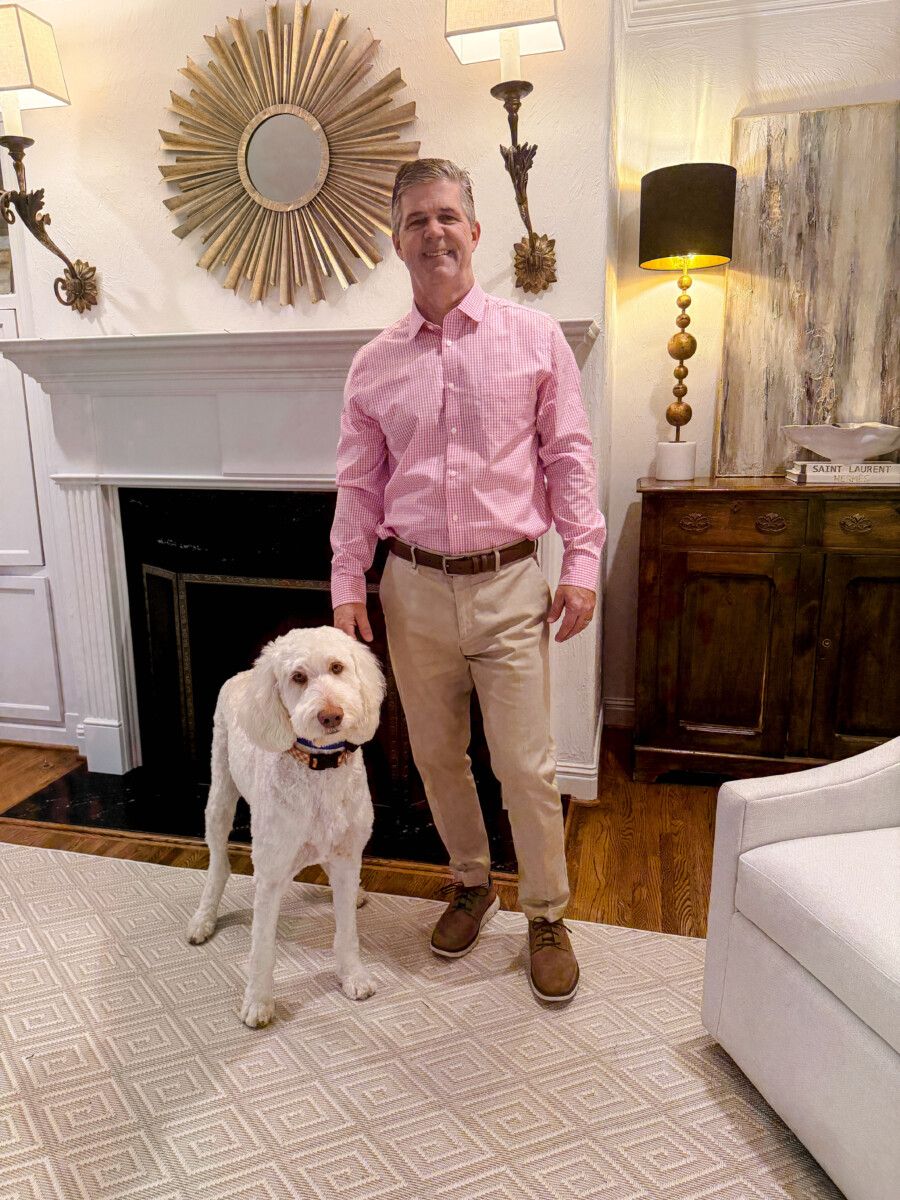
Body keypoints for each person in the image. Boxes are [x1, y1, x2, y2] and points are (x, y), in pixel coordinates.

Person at [330, 158, 605, 1002]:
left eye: (447, 216)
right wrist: (348, 581)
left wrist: (584, 561)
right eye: (416, 220)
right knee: (439, 757)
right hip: (410, 587)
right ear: (397, 241)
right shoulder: (373, 365)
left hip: (510, 583)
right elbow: (359, 483)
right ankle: (473, 881)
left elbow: (568, 457)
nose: (434, 232)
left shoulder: (535, 339)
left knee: (523, 762)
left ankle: (547, 914)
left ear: (475, 232)